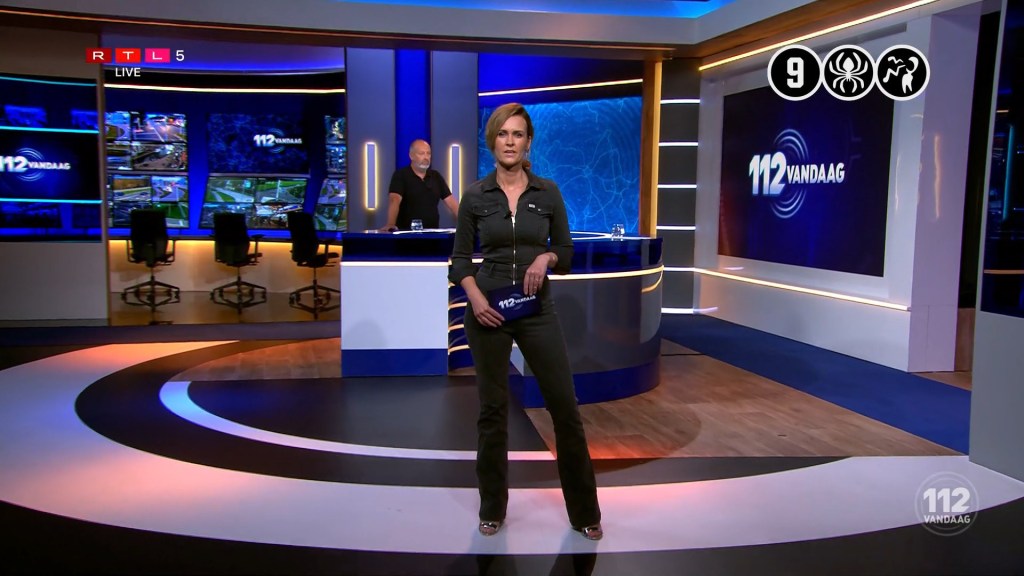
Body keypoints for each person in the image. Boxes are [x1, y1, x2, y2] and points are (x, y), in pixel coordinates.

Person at [448, 103, 603, 541]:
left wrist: (545, 257)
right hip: (488, 309)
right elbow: (459, 260)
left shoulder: (548, 192)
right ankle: (492, 509)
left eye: (517, 134)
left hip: (537, 309)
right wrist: (475, 298)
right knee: (493, 411)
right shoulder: (475, 196)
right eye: (503, 134)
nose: (510, 141)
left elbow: (566, 252)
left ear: (528, 142)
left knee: (564, 408)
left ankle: (585, 513)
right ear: (492, 141)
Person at [380, 139, 458, 231]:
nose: (426, 157)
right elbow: (394, 200)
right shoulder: (401, 175)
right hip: (406, 235)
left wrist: (468, 224)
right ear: (411, 156)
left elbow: (452, 202)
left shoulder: (436, 176)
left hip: (433, 235)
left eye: (428, 153)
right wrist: (390, 224)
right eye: (421, 153)